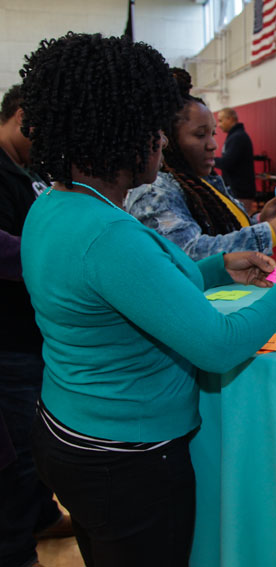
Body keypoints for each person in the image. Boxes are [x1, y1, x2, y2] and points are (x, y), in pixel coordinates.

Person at [19, 32, 276, 566]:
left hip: (71, 431)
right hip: (125, 459)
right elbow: (218, 346)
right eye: (155, 129)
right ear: (121, 133)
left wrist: (214, 268)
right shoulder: (107, 233)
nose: (162, 141)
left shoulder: (59, 206)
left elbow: (129, 293)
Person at [126, 69, 276, 261]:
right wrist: (271, 231)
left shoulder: (203, 183)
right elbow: (189, 254)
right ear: (167, 140)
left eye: (213, 134)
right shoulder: (155, 191)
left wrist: (261, 221)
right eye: (199, 135)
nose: (213, 145)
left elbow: (220, 230)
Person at [0, 84, 72, 567]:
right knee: (20, 456)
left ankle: (41, 517)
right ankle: (15, 550)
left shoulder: (23, 170)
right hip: (8, 342)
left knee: (35, 446)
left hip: (29, 335)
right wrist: (51, 258)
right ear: (25, 116)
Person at [214, 106, 256, 212]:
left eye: (221, 120)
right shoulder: (234, 136)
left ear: (230, 119)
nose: (219, 125)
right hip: (235, 190)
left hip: (240, 192)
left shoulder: (238, 137)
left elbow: (227, 162)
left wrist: (208, 160)